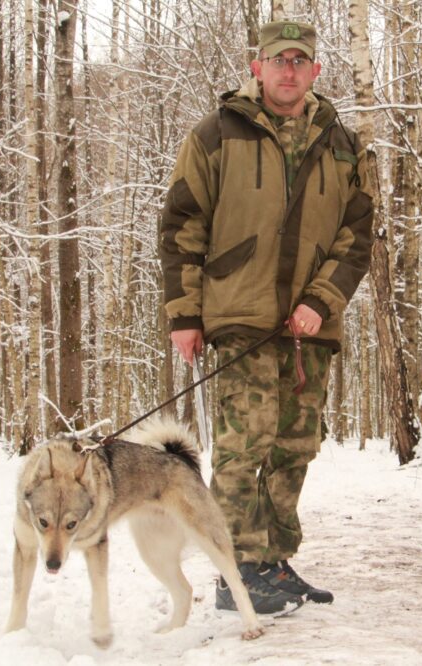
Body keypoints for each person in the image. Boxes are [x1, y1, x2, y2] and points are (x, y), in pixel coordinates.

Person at [159, 20, 374, 614]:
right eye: (277, 60)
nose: (288, 70)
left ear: (315, 71)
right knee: (242, 446)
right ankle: (236, 571)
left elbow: (358, 237)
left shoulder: (342, 144)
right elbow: (180, 226)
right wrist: (184, 314)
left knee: (295, 447)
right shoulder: (216, 135)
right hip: (241, 318)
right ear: (257, 67)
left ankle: (272, 562)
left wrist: (320, 301)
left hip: (311, 329)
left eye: (299, 61)